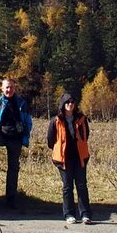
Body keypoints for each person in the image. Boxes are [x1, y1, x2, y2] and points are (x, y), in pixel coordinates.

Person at [0, 77, 32, 207]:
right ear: (2, 89)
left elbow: (28, 121)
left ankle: (11, 199)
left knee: (13, 168)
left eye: (11, 87)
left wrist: (26, 137)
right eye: (6, 87)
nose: (9, 90)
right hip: (1, 134)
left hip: (16, 137)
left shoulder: (21, 103)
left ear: (14, 88)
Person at [46, 91, 92, 224]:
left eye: (72, 102)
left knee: (82, 185)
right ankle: (69, 214)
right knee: (67, 187)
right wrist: (58, 149)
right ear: (62, 104)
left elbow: (85, 135)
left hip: (79, 157)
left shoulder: (82, 119)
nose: (70, 104)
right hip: (63, 158)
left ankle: (85, 214)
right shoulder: (55, 121)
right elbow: (50, 139)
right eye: (67, 102)